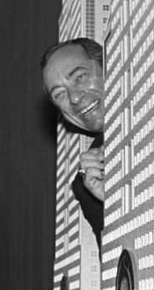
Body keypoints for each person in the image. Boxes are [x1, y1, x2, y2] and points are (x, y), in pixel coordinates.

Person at [40, 38, 105, 245]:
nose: (74, 98)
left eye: (80, 77)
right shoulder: (86, 183)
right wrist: (111, 201)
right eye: (59, 94)